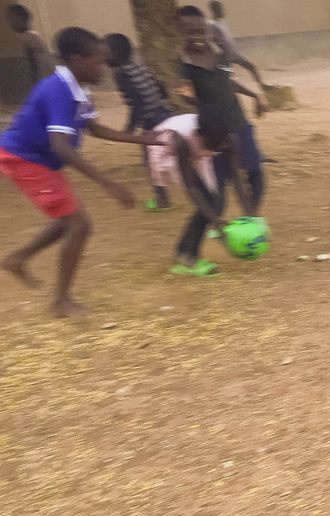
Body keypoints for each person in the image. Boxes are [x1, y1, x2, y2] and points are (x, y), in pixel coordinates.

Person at [0, 27, 163, 318]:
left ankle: (19, 258)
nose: (104, 69)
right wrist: (107, 183)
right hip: (24, 159)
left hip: (38, 160)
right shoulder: (58, 90)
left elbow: (95, 129)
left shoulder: (79, 89)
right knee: (79, 224)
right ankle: (60, 301)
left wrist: (142, 139)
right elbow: (60, 145)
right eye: (98, 62)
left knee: (69, 220)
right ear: (77, 60)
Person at [176, 5, 267, 214]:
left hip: (239, 123)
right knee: (218, 195)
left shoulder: (220, 52)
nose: (198, 37)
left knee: (256, 176)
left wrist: (254, 95)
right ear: (181, 32)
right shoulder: (182, 65)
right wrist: (188, 98)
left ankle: (249, 220)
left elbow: (227, 83)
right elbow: (186, 93)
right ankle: (208, 226)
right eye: (191, 32)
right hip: (214, 134)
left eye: (201, 31)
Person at [149, 106, 254, 276]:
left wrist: (249, 213)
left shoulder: (226, 139)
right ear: (200, 134)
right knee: (207, 203)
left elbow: (236, 177)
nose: (217, 148)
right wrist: (215, 221)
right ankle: (186, 256)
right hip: (167, 149)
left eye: (220, 144)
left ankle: (184, 252)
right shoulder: (180, 140)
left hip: (196, 151)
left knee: (216, 201)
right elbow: (192, 188)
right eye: (213, 144)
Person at [105, 33, 177, 209]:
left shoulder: (121, 74)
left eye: (105, 52)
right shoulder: (139, 67)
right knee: (173, 154)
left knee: (151, 162)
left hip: (152, 121)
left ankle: (162, 199)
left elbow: (137, 102)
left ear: (116, 53)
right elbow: (161, 88)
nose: (102, 57)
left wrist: (129, 130)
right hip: (164, 113)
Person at [207, 0, 265, 88]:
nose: (224, 11)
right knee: (227, 76)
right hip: (225, 57)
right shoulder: (211, 24)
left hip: (234, 54)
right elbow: (210, 40)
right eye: (221, 9)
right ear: (215, 10)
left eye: (223, 9)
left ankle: (263, 86)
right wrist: (220, 51)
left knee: (251, 67)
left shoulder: (222, 22)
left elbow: (226, 38)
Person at [5, 4, 56, 84]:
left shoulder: (30, 39)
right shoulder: (30, 37)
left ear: (21, 18)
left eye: (11, 18)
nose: (9, 23)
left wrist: (39, 85)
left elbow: (40, 64)